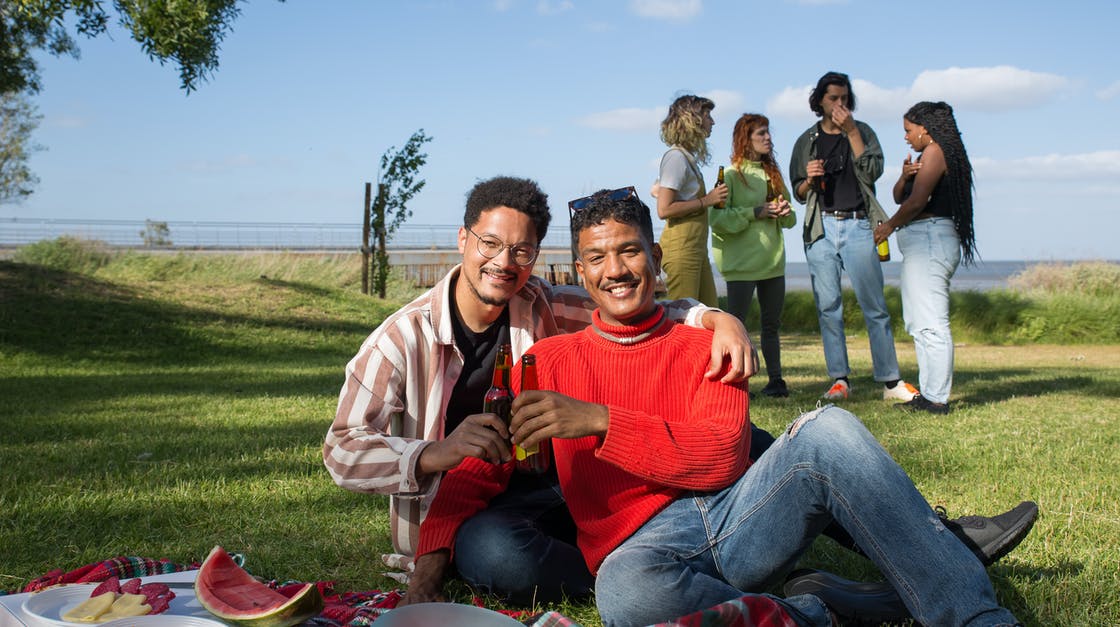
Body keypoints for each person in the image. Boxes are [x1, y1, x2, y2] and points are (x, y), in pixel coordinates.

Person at [418, 188, 1039, 626]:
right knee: (624, 594)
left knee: (830, 430)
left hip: (733, 516)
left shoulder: (705, 342)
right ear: (579, 271)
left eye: (630, 251)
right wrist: (424, 575)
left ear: (657, 260)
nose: (616, 270)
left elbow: (720, 458)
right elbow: (478, 471)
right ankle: (823, 608)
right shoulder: (548, 363)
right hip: (638, 550)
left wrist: (600, 421)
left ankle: (976, 615)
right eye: (598, 258)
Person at [321, 176, 758, 606]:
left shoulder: (548, 304)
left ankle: (677, 556)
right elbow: (342, 449)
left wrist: (719, 319)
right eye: (489, 244)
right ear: (463, 239)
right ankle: (628, 579)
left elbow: (631, 298)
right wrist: (434, 453)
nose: (503, 262)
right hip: (473, 494)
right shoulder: (401, 338)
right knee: (491, 550)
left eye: (522, 251)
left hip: (558, 473)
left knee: (743, 435)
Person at [788, 71, 916, 403]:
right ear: (820, 101)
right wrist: (809, 180)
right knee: (828, 306)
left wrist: (852, 132)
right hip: (821, 229)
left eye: (845, 98)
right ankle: (840, 381)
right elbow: (798, 192)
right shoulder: (806, 140)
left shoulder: (863, 131)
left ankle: (890, 382)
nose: (840, 104)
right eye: (833, 98)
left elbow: (873, 172)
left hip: (859, 225)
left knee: (875, 306)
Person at [874, 101, 978, 415]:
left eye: (909, 130)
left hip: (930, 243)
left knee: (932, 323)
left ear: (925, 128)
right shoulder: (927, 155)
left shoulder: (935, 152)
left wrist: (888, 227)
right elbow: (903, 195)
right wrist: (905, 176)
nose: (906, 137)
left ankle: (937, 399)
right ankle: (929, 393)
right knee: (919, 323)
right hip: (925, 244)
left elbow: (918, 202)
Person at [711, 113, 796, 398]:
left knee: (772, 325)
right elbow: (717, 220)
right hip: (740, 266)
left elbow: (791, 219)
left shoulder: (774, 174)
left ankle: (776, 381)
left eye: (768, 132)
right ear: (744, 139)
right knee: (736, 326)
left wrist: (785, 213)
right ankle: (734, 385)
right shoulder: (731, 174)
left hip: (773, 262)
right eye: (761, 133)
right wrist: (755, 212)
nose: (768, 138)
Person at [655, 94, 727, 307]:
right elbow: (664, 209)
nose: (712, 122)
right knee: (684, 318)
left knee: (709, 312)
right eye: (707, 116)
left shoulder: (686, 158)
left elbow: (665, 192)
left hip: (696, 249)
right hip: (682, 250)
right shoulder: (676, 157)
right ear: (692, 120)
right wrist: (707, 200)